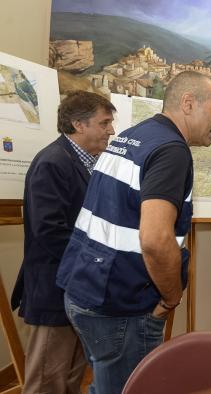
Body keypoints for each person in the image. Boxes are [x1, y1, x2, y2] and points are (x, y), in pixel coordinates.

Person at [56, 72, 211, 393]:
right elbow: (156, 239)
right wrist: (172, 297)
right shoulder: (171, 151)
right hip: (118, 305)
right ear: (188, 103)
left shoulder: (136, 135)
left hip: (83, 289)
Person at [10, 91, 116, 394]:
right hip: (55, 289)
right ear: (78, 124)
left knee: (69, 379)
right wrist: (101, 260)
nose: (111, 130)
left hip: (77, 288)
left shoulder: (88, 163)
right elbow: (49, 232)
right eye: (104, 122)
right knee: (46, 382)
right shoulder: (52, 163)